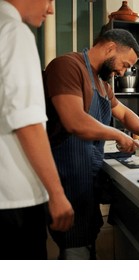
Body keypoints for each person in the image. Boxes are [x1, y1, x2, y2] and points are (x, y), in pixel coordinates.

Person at [43, 28, 139, 259]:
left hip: (86, 179)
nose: (123, 71)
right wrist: (118, 136)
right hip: (67, 180)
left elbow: (124, 113)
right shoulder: (68, 66)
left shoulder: (101, 82)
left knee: (85, 242)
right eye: (125, 64)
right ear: (109, 48)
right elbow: (74, 121)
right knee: (74, 248)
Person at [0, 0, 74, 260]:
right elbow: (27, 122)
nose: (52, 9)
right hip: (15, 200)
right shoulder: (14, 32)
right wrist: (56, 193)